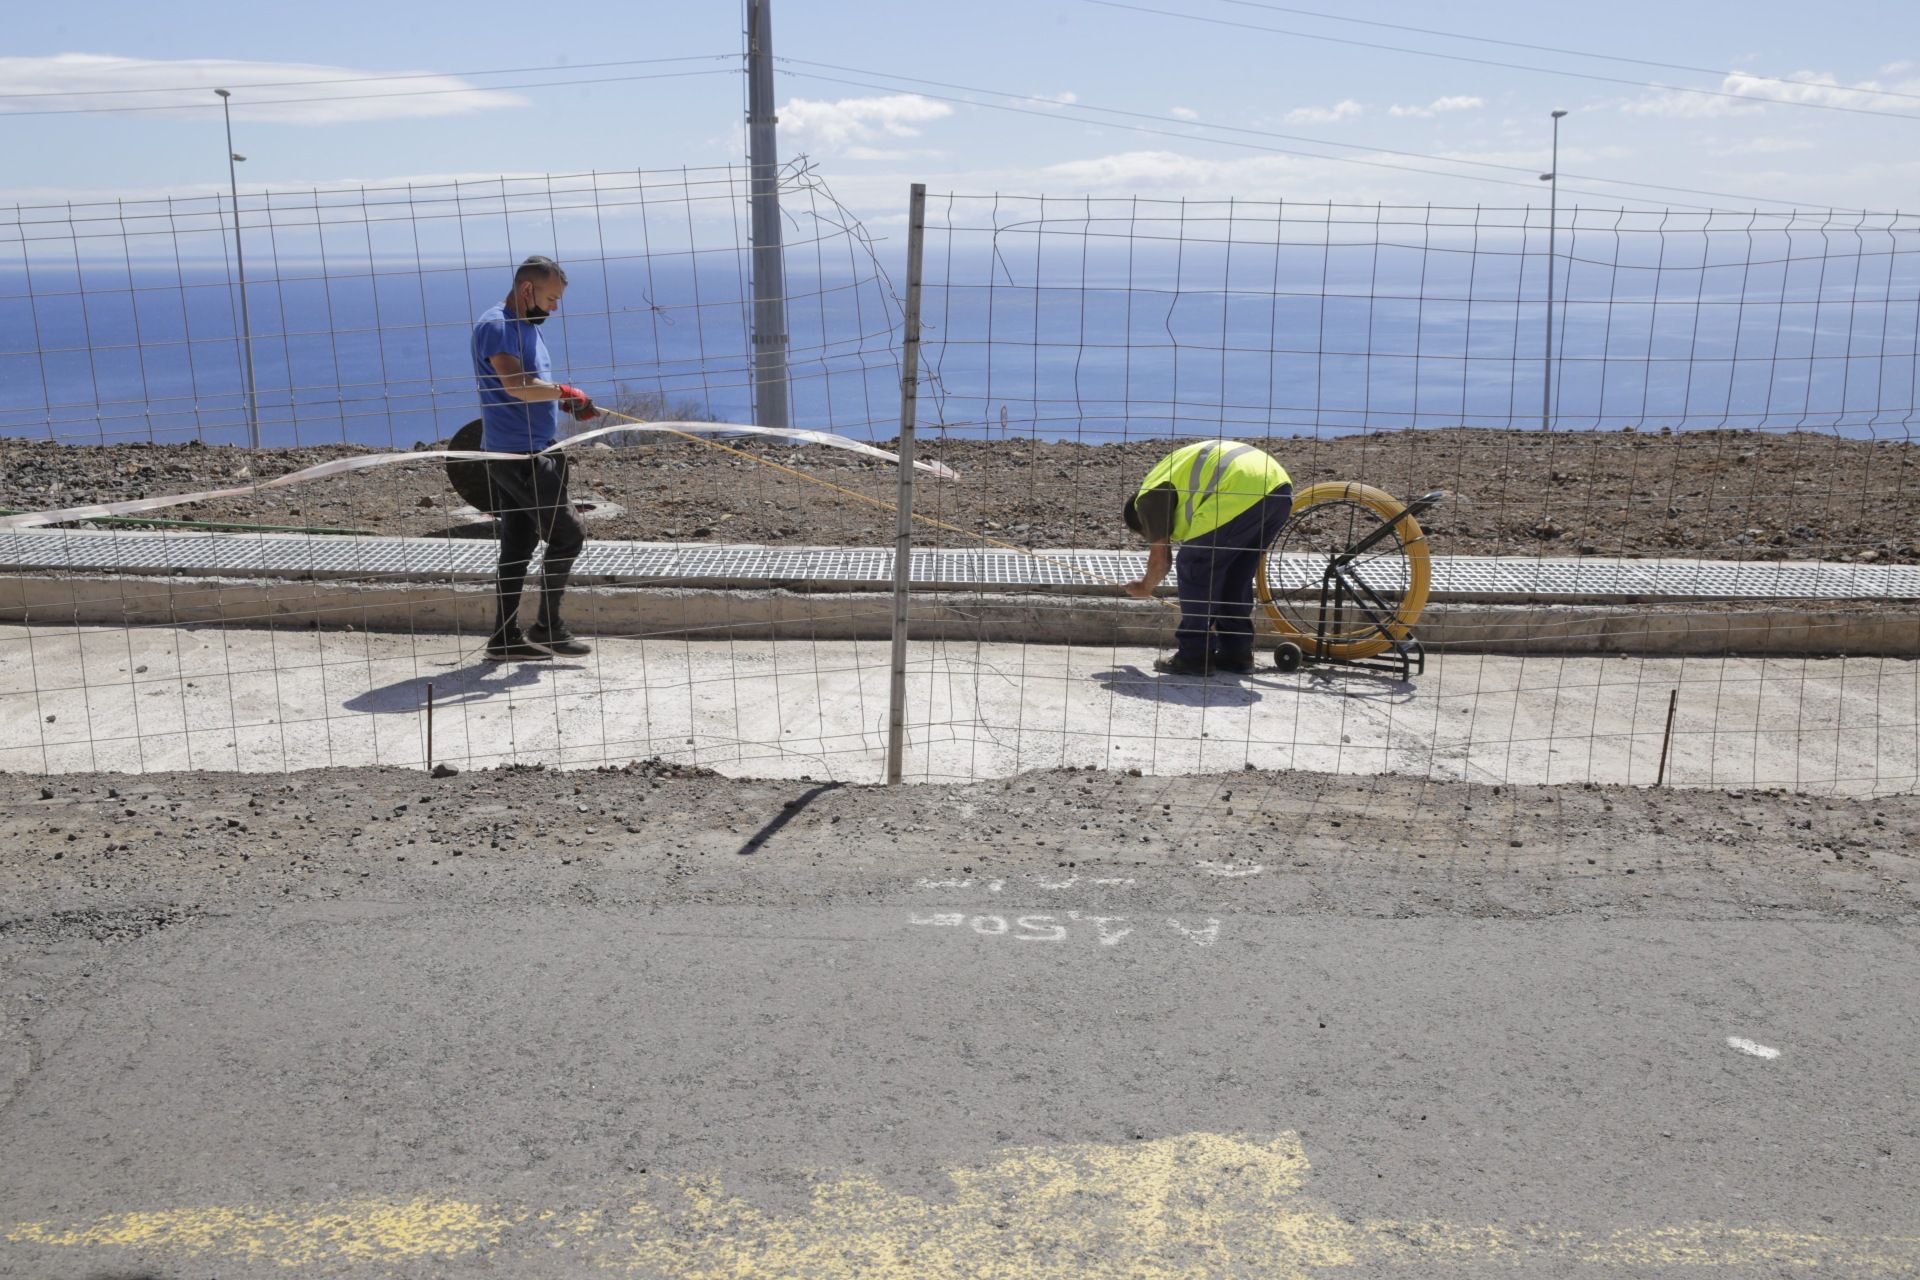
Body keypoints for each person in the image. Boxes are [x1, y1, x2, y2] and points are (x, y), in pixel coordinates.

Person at [471, 255, 600, 661]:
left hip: (531, 449)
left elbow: (532, 387)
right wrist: (564, 392)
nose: (554, 307)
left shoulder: (526, 326)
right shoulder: (498, 326)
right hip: (518, 458)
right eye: (551, 297)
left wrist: (560, 401)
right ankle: (548, 628)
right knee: (569, 533)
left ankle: (504, 639)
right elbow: (515, 385)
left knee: (518, 546)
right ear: (527, 290)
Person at [1121, 439, 1293, 676]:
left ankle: (1193, 656)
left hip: (1239, 486)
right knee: (1235, 574)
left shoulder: (1148, 501)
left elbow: (1161, 561)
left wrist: (1145, 586)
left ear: (1142, 522)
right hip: (1278, 487)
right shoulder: (1167, 477)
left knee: (1194, 565)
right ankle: (1236, 653)